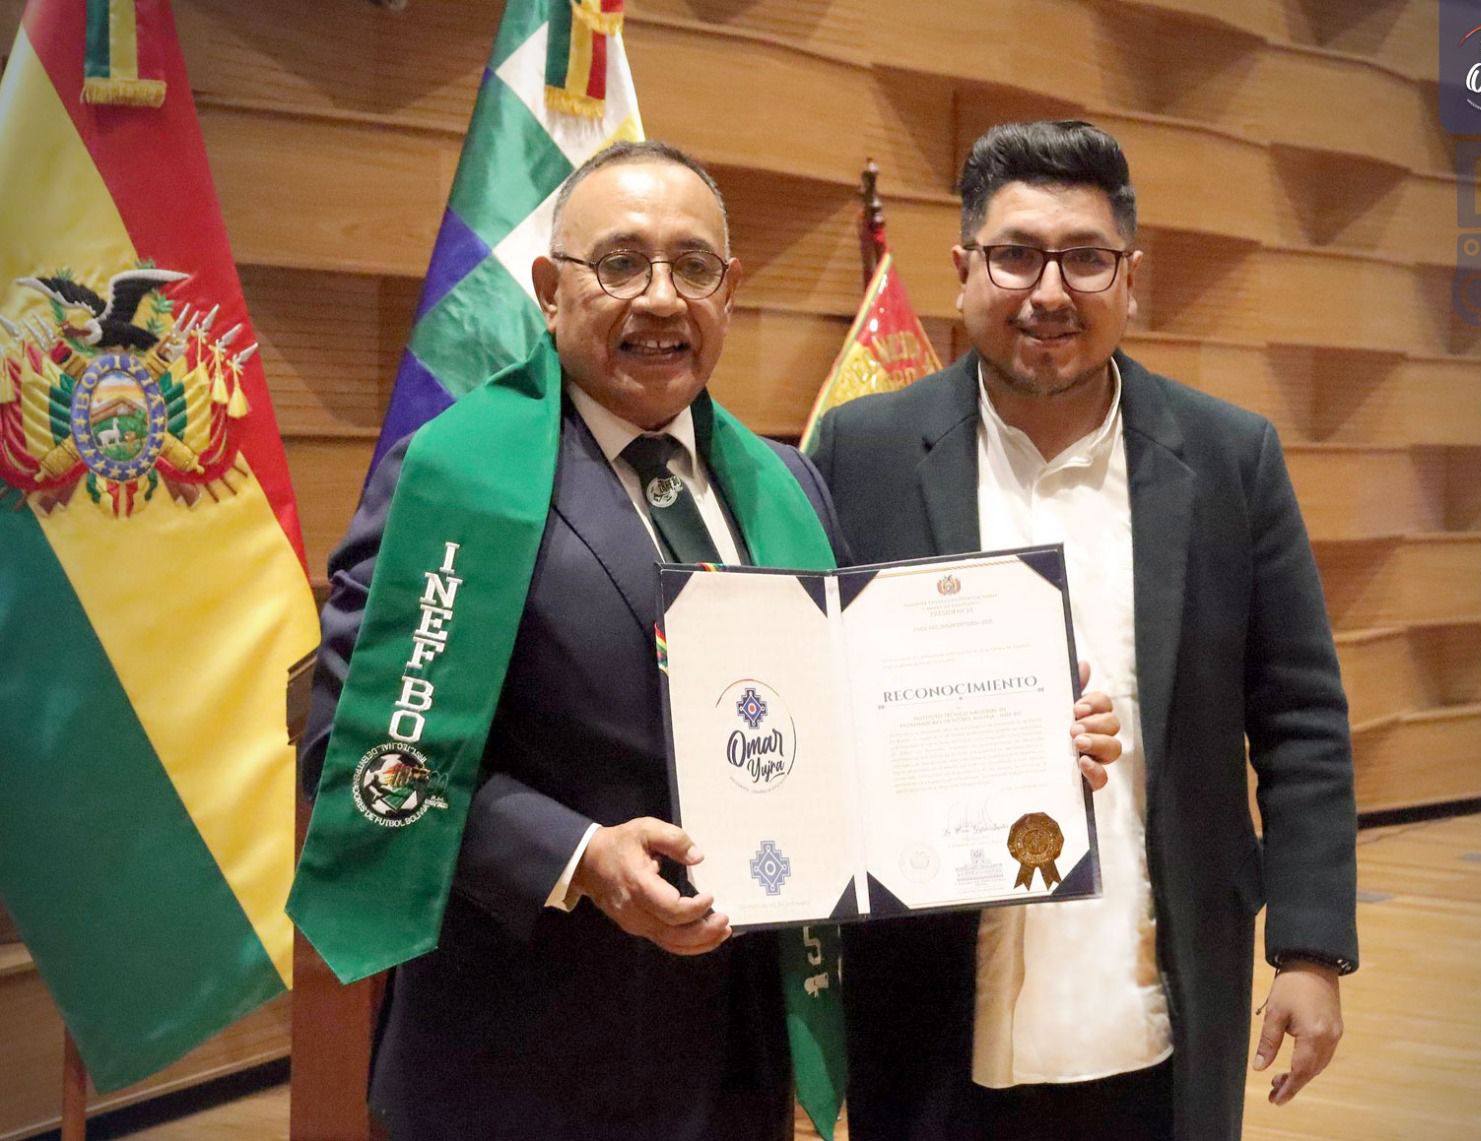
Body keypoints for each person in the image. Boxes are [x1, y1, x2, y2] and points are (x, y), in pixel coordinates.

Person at [297, 138, 1126, 1140]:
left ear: (728, 292)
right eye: (620, 264)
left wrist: (1029, 740)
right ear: (551, 290)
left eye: (692, 267)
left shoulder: (788, 483)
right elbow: (357, 753)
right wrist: (579, 855)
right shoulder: (452, 483)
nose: (660, 298)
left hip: (736, 1055)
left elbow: (858, 720)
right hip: (518, 1056)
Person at [810, 120, 1359, 1141]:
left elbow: (1302, 719)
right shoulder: (860, 450)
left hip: (1155, 1003)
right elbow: (821, 695)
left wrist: (1310, 948)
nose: (1049, 291)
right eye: (1016, 255)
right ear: (964, 270)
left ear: (1131, 277)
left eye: (1086, 259)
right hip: (931, 1006)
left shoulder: (1229, 459)